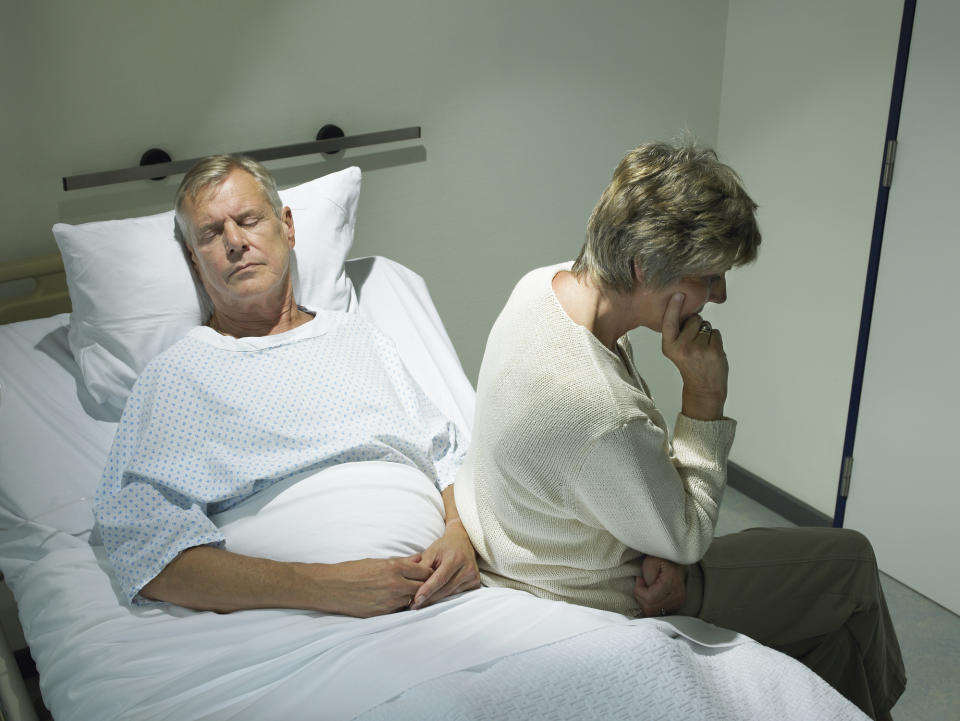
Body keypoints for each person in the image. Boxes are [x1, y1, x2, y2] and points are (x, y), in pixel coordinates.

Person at [453, 141, 905, 720]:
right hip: (605, 587)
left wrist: (655, 524)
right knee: (853, 562)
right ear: (644, 268)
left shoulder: (540, 288)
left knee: (836, 642)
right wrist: (704, 398)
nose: (719, 295)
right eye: (709, 277)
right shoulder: (599, 410)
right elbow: (687, 537)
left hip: (554, 543)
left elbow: (614, 470)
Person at [94, 155, 479, 617]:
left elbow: (447, 459)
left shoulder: (359, 337)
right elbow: (148, 550)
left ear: (288, 227)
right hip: (289, 618)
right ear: (194, 261)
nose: (236, 242)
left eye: (249, 220)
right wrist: (325, 587)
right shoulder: (179, 374)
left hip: (447, 598)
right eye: (212, 234)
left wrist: (460, 537)